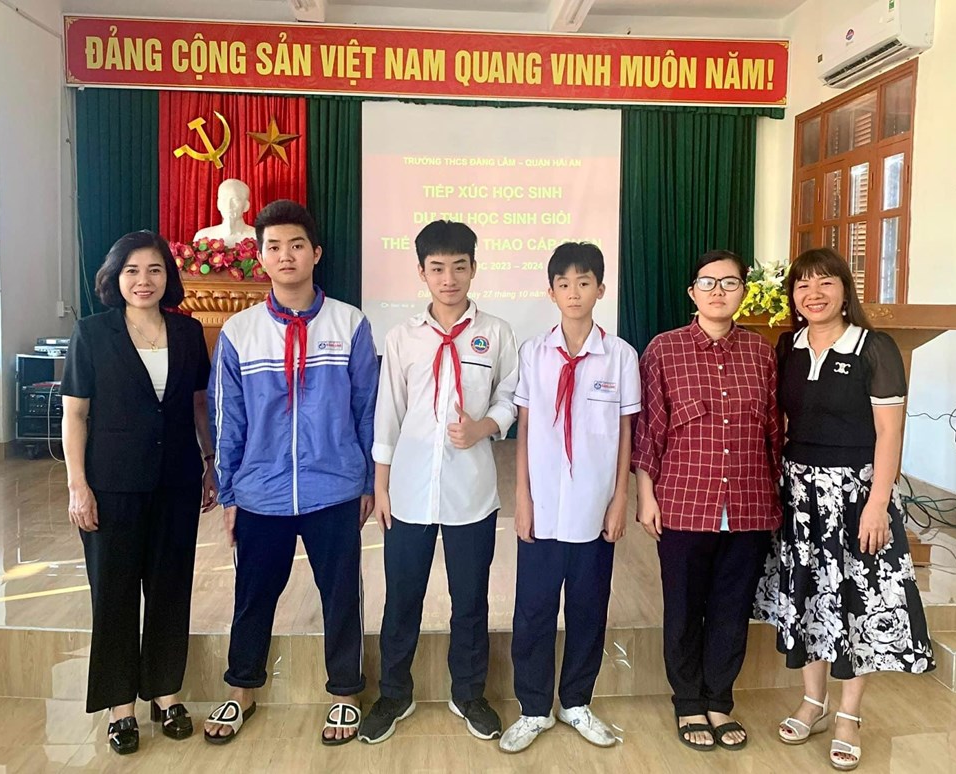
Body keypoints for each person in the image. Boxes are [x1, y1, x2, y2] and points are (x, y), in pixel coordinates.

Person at [203, 200, 379, 746]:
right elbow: (227, 419)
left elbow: (368, 409)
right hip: (261, 493)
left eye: (296, 245)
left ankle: (346, 692)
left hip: (335, 489)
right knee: (253, 594)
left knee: (340, 596)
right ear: (260, 256)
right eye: (274, 246)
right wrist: (230, 493)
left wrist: (368, 482)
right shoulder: (240, 332)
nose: (286, 256)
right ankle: (242, 688)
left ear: (316, 253)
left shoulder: (350, 323)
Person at [754, 247, 935, 772]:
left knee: (856, 603)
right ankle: (813, 702)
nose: (813, 293)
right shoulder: (788, 346)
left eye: (825, 282)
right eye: (802, 284)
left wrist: (878, 503)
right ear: (792, 295)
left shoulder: (874, 348)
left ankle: (849, 715)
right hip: (799, 494)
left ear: (844, 291)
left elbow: (889, 434)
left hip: (856, 496)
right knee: (808, 598)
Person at [360, 220, 518, 745]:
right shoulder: (402, 336)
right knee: (401, 599)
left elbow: (509, 397)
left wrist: (484, 426)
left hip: (471, 493)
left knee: (470, 600)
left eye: (458, 267)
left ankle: (469, 693)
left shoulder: (496, 332)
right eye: (437, 268)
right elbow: (388, 413)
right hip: (408, 492)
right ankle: (394, 694)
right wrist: (382, 488)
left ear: (474, 268)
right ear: (422, 272)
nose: (448, 278)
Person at [62, 230, 216, 756]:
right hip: (111, 486)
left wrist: (210, 463)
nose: (143, 280)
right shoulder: (92, 333)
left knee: (171, 588)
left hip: (176, 481)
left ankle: (166, 694)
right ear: (115, 277)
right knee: (114, 593)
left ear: (168, 277)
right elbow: (75, 414)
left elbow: (198, 404)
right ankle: (120, 706)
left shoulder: (188, 332)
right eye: (132, 270)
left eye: (154, 270)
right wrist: (78, 485)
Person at [632, 249, 782, 753]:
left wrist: (776, 500)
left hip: (749, 504)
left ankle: (719, 699)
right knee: (683, 607)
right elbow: (650, 431)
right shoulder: (664, 350)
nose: (719, 292)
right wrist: (646, 495)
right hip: (683, 502)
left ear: (744, 291)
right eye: (708, 283)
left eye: (730, 282)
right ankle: (688, 701)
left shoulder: (762, 353)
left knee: (731, 608)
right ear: (691, 292)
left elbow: (773, 433)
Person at [499, 242, 640, 754]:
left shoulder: (620, 356)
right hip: (542, 508)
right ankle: (533, 707)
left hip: (594, 509)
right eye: (564, 283)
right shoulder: (533, 354)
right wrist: (523, 498)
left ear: (601, 289)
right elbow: (524, 429)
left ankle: (576, 701)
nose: (574, 292)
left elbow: (625, 434)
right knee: (533, 611)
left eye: (584, 282)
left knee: (588, 610)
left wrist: (620, 499)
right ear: (551, 291)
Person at [194, 179, 257, 246]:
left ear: (246, 206)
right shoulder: (203, 237)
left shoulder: (257, 236)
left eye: (235, 200)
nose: (229, 205)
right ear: (218, 204)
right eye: (224, 199)